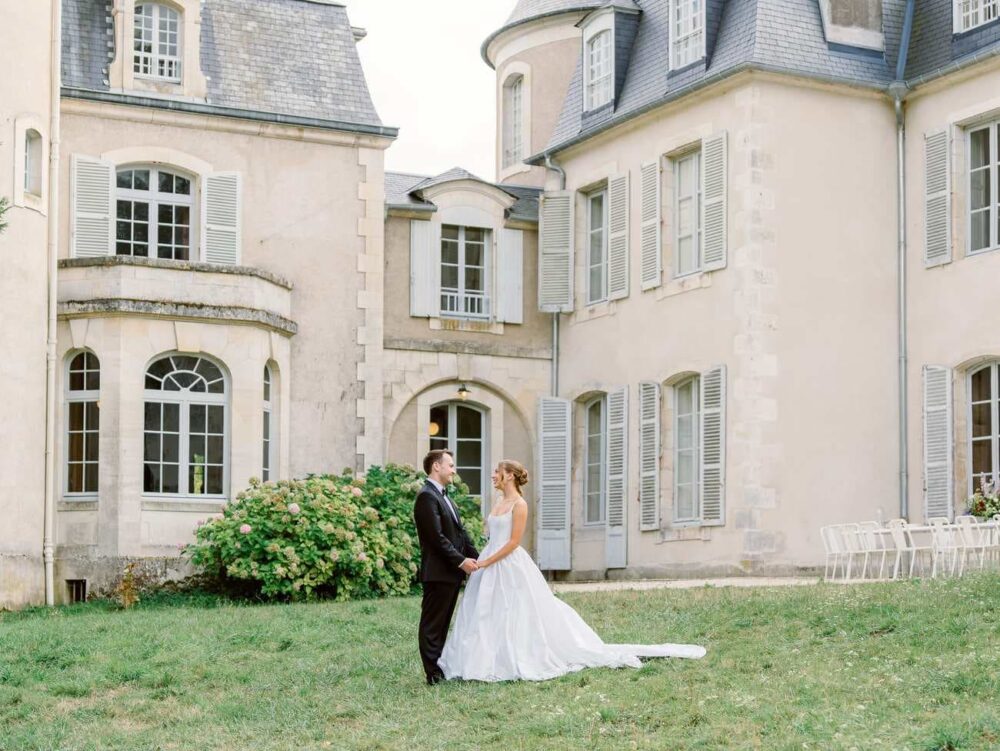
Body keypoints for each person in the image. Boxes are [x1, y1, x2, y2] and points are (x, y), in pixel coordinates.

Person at [437, 459, 706, 682]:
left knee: (516, 610)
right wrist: (481, 558)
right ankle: (483, 658)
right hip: (489, 560)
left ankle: (519, 655)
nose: (493, 476)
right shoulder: (497, 503)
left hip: (507, 562)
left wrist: (486, 562)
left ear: (509, 476)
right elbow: (492, 535)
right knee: (485, 611)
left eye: (497, 472)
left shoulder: (520, 505)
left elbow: (513, 542)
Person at [412, 449, 480, 685]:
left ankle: (439, 668)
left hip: (450, 574)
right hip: (438, 573)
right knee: (433, 624)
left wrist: (478, 559)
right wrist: (461, 561)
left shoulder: (445, 497)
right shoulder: (426, 496)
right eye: (450, 465)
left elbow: (460, 534)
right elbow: (436, 538)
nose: (454, 470)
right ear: (436, 467)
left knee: (442, 625)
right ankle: (432, 674)